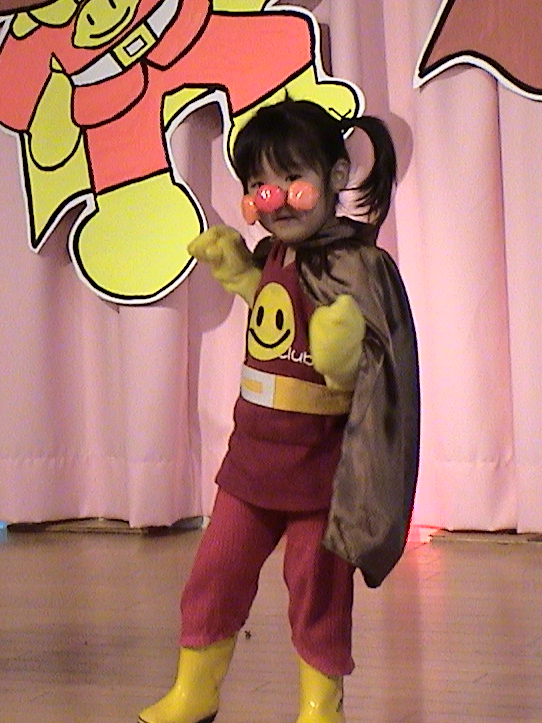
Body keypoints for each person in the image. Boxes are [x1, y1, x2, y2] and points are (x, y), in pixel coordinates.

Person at [140, 99, 419, 723]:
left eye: (293, 179)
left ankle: (321, 706)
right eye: (259, 184)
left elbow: (381, 365)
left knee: (317, 592)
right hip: (251, 463)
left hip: (320, 474)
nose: (276, 200)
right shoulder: (273, 254)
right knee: (215, 573)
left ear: (337, 175)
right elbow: (273, 311)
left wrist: (344, 357)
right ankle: (195, 691)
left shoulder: (359, 265)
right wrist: (238, 270)